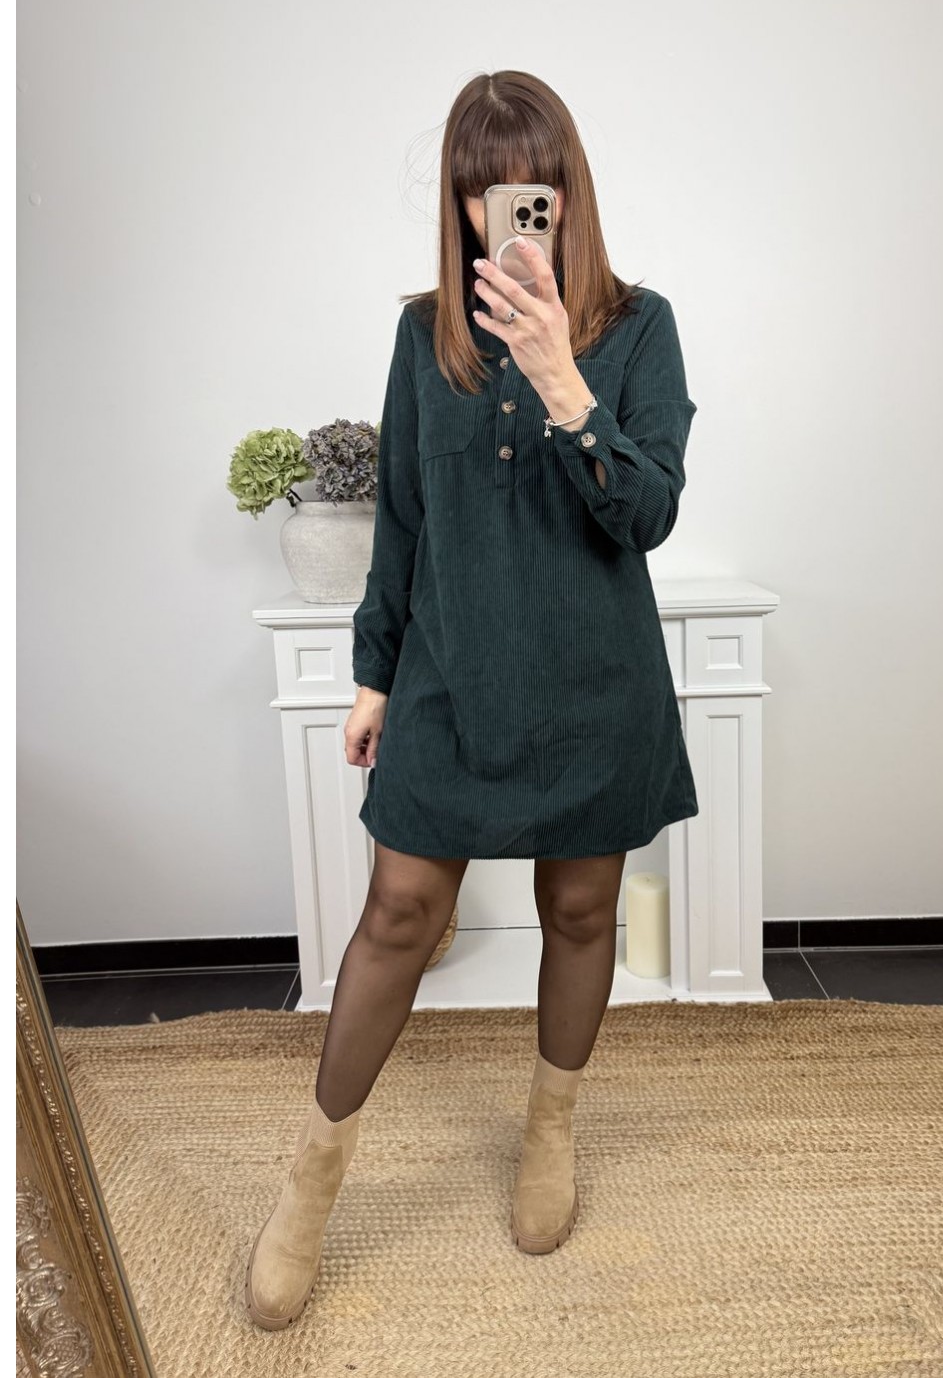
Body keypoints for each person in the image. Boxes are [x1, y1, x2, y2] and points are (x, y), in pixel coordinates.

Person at [244, 69, 699, 1329]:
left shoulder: (641, 328)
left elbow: (647, 514)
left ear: (563, 196)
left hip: (592, 678)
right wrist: (374, 674)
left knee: (580, 908)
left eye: (526, 191)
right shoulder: (420, 337)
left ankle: (549, 1131)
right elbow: (402, 520)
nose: (502, 214)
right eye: (478, 192)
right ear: (458, 204)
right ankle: (310, 1184)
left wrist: (562, 380)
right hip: (450, 673)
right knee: (398, 910)